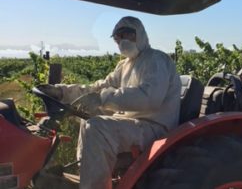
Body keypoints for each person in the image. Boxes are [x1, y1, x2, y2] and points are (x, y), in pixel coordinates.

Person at [39, 16, 181, 189]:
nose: (122, 40)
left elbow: (150, 98)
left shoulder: (156, 60)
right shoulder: (124, 65)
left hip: (155, 127)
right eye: (118, 37)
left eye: (127, 34)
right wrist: (62, 92)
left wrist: (103, 98)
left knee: (97, 127)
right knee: (88, 120)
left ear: (140, 34)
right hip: (133, 124)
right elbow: (99, 87)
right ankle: (87, 177)